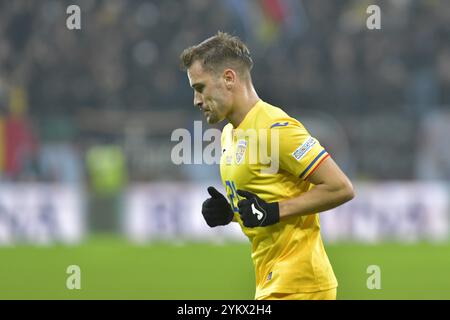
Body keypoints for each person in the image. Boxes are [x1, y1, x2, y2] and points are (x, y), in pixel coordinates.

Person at [179, 31, 354, 300]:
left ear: (228, 78)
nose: (197, 101)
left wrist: (274, 211)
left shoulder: (275, 128)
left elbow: (340, 187)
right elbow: (267, 202)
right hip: (273, 279)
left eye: (199, 88)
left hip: (300, 282)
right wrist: (232, 214)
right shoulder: (230, 134)